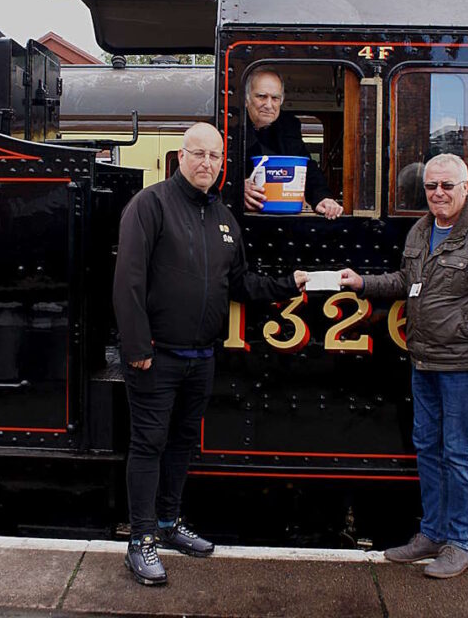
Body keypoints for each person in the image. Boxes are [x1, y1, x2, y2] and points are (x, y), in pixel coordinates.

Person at [113, 122, 308, 586]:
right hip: (156, 356)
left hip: (201, 356)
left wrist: (288, 283)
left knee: (181, 443)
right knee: (148, 445)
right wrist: (138, 347)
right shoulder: (151, 205)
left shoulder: (222, 216)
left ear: (223, 163)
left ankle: (167, 524)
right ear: (180, 157)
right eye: (198, 154)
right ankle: (139, 541)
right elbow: (128, 280)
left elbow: (240, 282)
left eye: (215, 157)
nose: (207, 164)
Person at [340, 153, 468, 579]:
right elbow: (408, 283)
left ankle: (461, 543)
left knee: (459, 453)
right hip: (424, 362)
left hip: (464, 368)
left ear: (465, 187)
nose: (438, 193)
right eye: (430, 187)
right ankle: (433, 534)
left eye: (446, 186)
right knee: (428, 448)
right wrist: (363, 283)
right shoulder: (423, 230)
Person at [242, 68, 344, 219]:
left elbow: (306, 167)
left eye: (275, 98)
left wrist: (322, 198)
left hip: (280, 216)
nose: (269, 105)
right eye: (261, 97)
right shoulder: (228, 124)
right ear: (246, 99)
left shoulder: (288, 126)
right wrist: (238, 187)